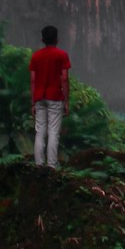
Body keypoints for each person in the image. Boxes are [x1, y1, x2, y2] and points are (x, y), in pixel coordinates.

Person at [29, 25, 71, 168]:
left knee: (40, 132)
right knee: (53, 132)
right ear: (57, 39)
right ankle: (52, 166)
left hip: (39, 98)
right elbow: (64, 78)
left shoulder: (36, 56)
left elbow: (33, 80)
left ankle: (39, 165)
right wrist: (66, 101)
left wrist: (33, 102)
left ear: (42, 39)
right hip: (55, 97)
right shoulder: (61, 55)